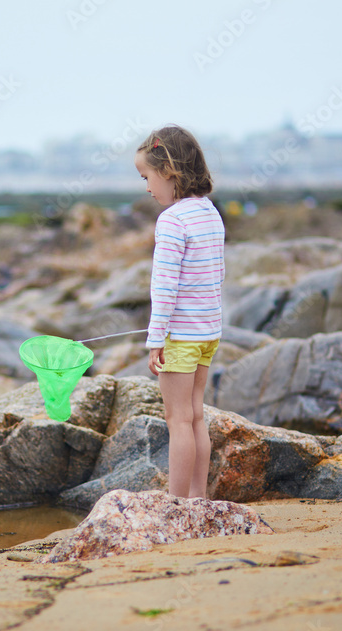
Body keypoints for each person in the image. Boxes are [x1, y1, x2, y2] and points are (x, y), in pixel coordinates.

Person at [135, 125, 225, 500]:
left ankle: (175, 503)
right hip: (208, 334)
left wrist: (156, 339)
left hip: (181, 338)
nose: (146, 187)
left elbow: (165, 287)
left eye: (147, 177)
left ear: (169, 171)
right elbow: (215, 275)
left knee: (178, 421)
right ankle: (197, 498)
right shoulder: (209, 212)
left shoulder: (172, 220)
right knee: (196, 416)